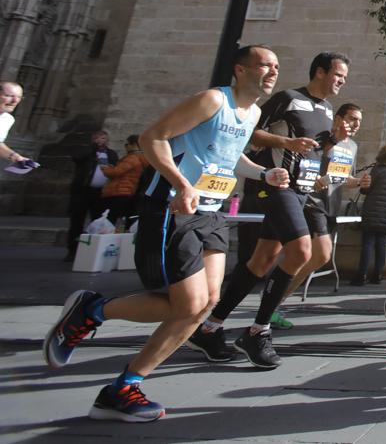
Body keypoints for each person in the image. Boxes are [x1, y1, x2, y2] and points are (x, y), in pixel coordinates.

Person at [42, 45, 288, 422]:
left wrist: (262, 174)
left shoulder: (252, 112)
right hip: (173, 208)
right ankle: (93, 313)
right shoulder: (211, 100)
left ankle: (121, 385)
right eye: (264, 65)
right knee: (187, 305)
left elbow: (231, 153)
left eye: (276, 67)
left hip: (212, 212)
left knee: (206, 303)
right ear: (240, 70)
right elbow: (152, 137)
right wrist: (181, 184)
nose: (272, 72)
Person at [191, 52, 349, 368]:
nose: (341, 82)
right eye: (338, 75)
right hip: (276, 184)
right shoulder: (288, 99)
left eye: (344, 78)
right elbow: (251, 132)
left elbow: (315, 149)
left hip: (304, 190)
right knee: (301, 252)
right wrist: (285, 143)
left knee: (263, 260)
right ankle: (258, 329)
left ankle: (210, 327)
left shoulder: (328, 110)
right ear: (319, 72)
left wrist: (332, 142)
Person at [281, 103, 369, 303]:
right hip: (311, 201)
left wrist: (358, 182)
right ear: (338, 119)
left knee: (313, 256)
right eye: (352, 119)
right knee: (321, 254)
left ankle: (277, 297)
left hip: (331, 205)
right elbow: (306, 162)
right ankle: (276, 298)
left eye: (359, 121)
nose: (356, 124)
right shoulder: (322, 138)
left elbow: (343, 176)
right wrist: (313, 179)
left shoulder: (352, 146)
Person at [355, 146, 386, 285]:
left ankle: (361, 275)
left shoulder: (378, 170)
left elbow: (366, 189)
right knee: (382, 244)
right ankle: (378, 275)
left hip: (372, 210)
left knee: (368, 243)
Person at [66, 130, 118, 260]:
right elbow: (77, 158)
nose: (100, 140)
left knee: (98, 220)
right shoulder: (87, 152)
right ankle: (72, 250)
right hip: (83, 190)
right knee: (77, 220)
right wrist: (92, 148)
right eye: (97, 138)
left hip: (100, 192)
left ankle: (93, 250)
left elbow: (115, 168)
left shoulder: (111, 154)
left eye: (103, 138)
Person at [100, 135, 149, 229]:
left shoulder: (132, 158)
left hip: (119, 191)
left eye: (127, 144)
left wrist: (105, 169)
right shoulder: (142, 158)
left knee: (110, 219)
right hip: (129, 191)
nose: (125, 147)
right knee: (128, 219)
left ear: (134, 145)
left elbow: (116, 172)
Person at [0, 81, 30, 165]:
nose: (15, 101)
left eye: (19, 97)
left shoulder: (8, 119)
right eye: (9, 96)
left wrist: (16, 157)